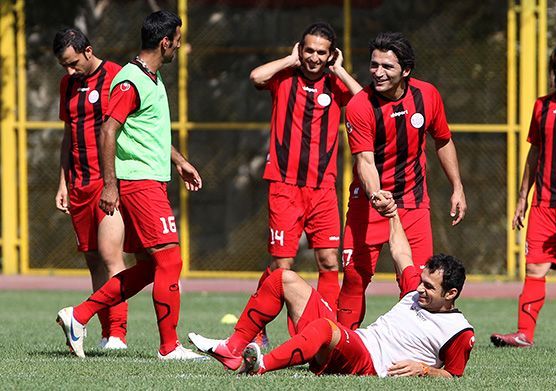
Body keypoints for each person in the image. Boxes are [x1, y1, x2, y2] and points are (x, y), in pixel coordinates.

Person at [56, 10, 205, 360]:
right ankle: (170, 348)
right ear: (165, 41)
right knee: (170, 260)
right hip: (139, 184)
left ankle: (78, 317)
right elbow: (109, 130)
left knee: (153, 267)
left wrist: (180, 162)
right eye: (177, 40)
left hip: (151, 180)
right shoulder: (130, 79)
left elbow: (148, 135)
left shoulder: (151, 78)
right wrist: (110, 185)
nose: (180, 46)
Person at [188, 199, 475, 377]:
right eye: (422, 282)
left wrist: (425, 370)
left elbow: (453, 375)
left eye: (429, 287)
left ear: (450, 294)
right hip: (357, 341)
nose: (420, 289)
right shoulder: (416, 291)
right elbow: (401, 254)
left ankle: (259, 368)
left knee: (326, 328)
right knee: (282, 278)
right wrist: (393, 214)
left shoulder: (459, 331)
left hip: (368, 362)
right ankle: (232, 348)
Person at [337, 32, 468, 329]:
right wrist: (375, 195)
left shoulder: (427, 95)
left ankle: (412, 344)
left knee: (419, 280)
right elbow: (364, 160)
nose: (378, 73)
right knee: (356, 277)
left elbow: (443, 140)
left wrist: (457, 187)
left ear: (406, 70)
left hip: (413, 201)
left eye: (387, 67)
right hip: (368, 204)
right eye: (374, 65)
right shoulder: (360, 105)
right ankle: (343, 344)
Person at [248, 22, 361, 313]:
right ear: (300, 49)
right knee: (282, 265)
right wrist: (289, 59)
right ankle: (257, 322)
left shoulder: (336, 85)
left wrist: (341, 71)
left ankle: (326, 329)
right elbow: (255, 76)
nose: (313, 57)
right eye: (308, 50)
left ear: (331, 55)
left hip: (323, 188)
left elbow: (365, 104)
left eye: (321, 52)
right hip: (284, 185)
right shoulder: (284, 77)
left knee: (329, 261)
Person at [491, 42, 556, 351]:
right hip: (544, 205)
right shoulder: (542, 106)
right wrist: (523, 197)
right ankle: (524, 334)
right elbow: (534, 152)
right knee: (534, 269)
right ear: (554, 72)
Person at [53, 28, 129, 350]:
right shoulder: (67, 84)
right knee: (94, 262)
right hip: (79, 184)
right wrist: (63, 183)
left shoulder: (116, 76)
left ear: (88, 51)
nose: (70, 71)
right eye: (64, 66)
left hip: (107, 182)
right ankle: (104, 333)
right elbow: (68, 136)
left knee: (112, 257)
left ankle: (118, 335)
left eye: (73, 63)